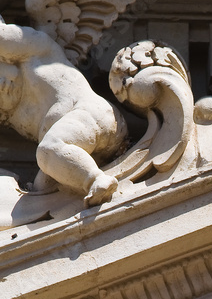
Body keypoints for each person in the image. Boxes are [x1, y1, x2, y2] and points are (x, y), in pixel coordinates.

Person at [0, 22, 126, 204]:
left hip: (93, 115)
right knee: (38, 195)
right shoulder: (13, 116)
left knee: (48, 150)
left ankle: (96, 180)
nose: (1, 85)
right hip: (73, 147)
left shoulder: (37, 53)